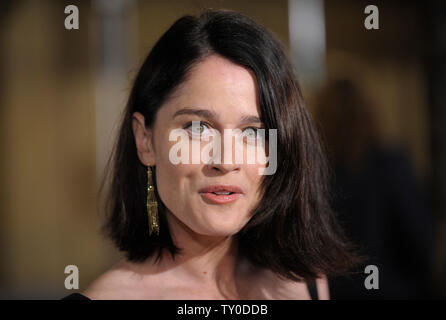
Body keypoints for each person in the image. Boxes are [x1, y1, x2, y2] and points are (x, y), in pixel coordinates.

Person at [64, 9, 360, 300]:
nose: (226, 161)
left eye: (253, 132)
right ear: (146, 141)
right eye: (197, 127)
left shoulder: (304, 283)